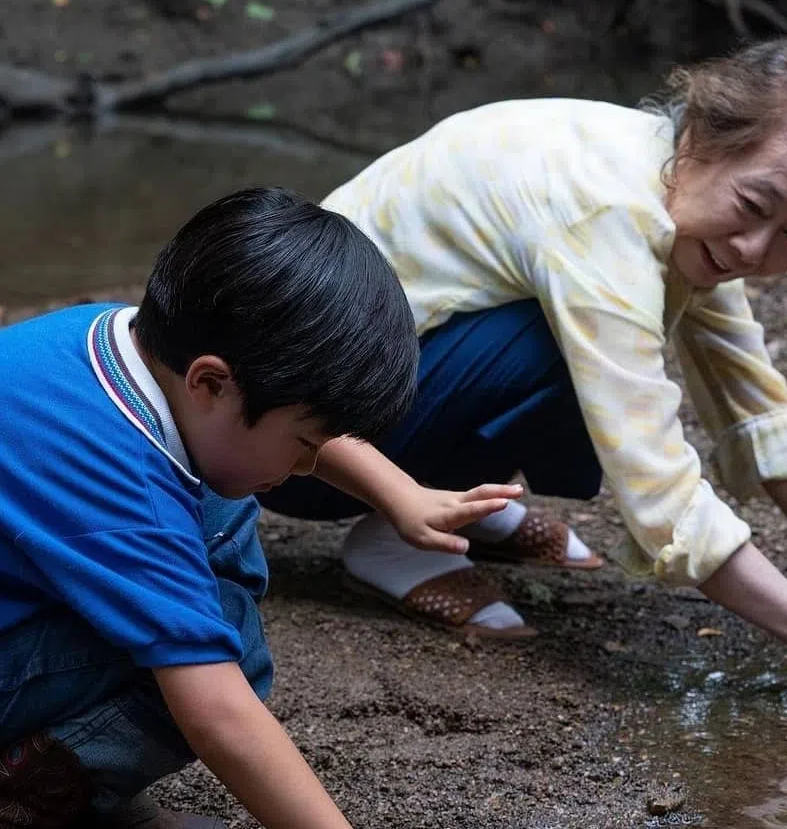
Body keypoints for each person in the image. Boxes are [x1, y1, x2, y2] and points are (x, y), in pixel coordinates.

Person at [262, 35, 787, 708]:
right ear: (699, 138)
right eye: (754, 204)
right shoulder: (609, 217)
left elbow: (756, 407)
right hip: (296, 447)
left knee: (584, 331)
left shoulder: (670, 189)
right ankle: (399, 535)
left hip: (372, 387)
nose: (757, 249)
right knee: (562, 346)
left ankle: (463, 494)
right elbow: (661, 493)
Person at [0, 187, 521, 828]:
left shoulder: (122, 338)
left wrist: (401, 496)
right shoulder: (123, 488)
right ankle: (35, 795)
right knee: (232, 645)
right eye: (304, 445)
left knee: (223, 507)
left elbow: (280, 413)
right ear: (211, 381)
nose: (308, 464)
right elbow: (219, 713)